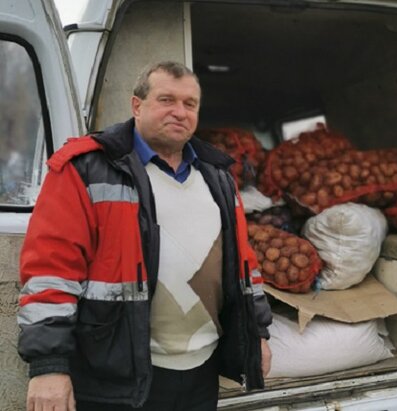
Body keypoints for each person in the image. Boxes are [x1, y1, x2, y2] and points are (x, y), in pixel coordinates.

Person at [17, 61, 272, 411]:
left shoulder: (218, 176)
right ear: (137, 105)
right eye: (166, 99)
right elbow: (51, 271)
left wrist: (256, 335)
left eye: (190, 104)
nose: (179, 112)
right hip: (118, 378)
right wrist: (48, 366)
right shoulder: (87, 168)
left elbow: (245, 265)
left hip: (201, 372)